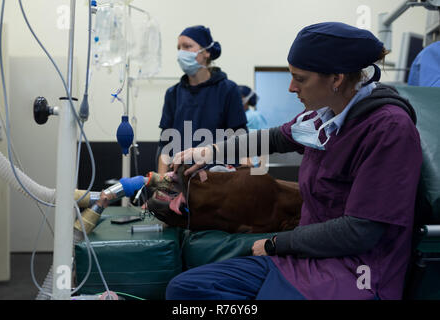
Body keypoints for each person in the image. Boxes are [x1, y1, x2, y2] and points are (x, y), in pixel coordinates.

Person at [165, 22, 423, 300]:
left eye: (299, 79)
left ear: (336, 79)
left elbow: (361, 231)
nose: (290, 87)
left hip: (355, 273)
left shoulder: (388, 129)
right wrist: (209, 151)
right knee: (186, 290)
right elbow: (274, 138)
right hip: (302, 259)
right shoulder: (324, 117)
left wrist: (276, 243)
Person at [157, 25, 247, 174]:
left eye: (187, 46)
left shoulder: (227, 90)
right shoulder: (173, 94)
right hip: (181, 178)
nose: (181, 53)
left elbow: (241, 139)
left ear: (206, 52)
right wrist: (161, 183)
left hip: (218, 180)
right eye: (178, 48)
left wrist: (245, 178)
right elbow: (165, 144)